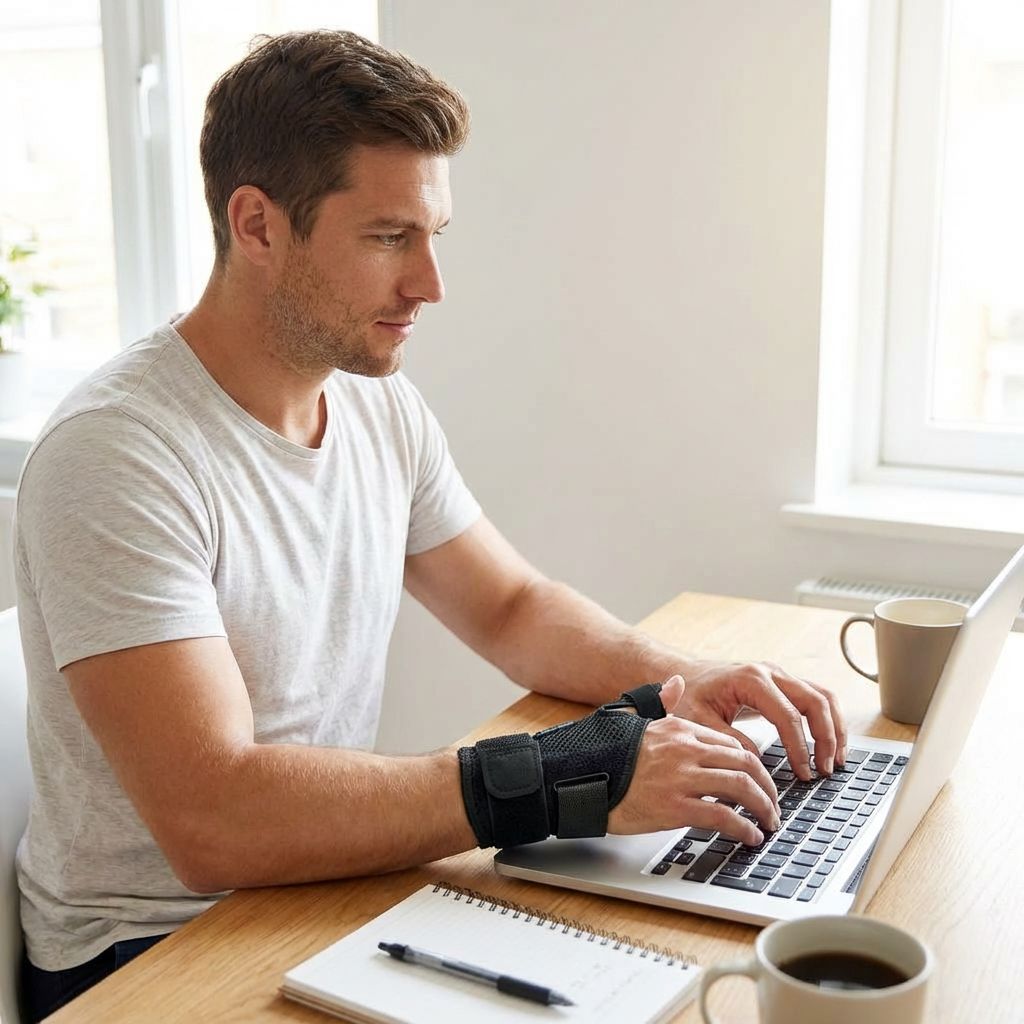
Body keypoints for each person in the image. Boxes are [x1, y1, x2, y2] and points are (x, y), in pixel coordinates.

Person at [12, 29, 846, 1021]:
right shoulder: (120, 454)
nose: (428, 284)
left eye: (432, 234)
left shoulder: (372, 401)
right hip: (149, 951)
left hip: (316, 895)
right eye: (386, 237)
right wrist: (572, 773)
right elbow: (214, 819)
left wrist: (679, 678)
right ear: (257, 225)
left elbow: (509, 605)